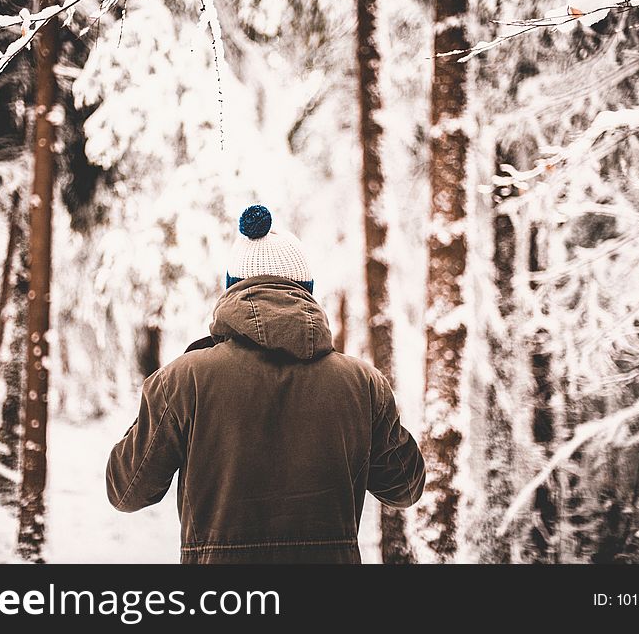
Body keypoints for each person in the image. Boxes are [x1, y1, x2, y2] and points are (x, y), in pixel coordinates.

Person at [106, 205, 426, 563]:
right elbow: (406, 487)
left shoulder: (183, 379)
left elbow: (126, 491)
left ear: (231, 290)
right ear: (306, 292)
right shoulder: (363, 384)